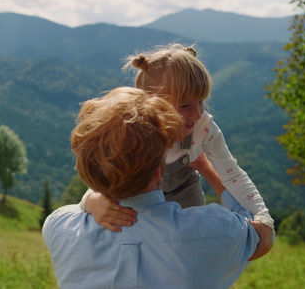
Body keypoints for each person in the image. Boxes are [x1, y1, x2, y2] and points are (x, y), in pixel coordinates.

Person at [42, 87, 260, 288]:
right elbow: (255, 222)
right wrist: (204, 166)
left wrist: (90, 199)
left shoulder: (58, 227)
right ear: (159, 172)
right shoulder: (217, 229)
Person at [80, 43, 274, 260]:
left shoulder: (203, 127)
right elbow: (105, 178)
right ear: (149, 102)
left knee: (192, 246)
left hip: (185, 187)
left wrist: (263, 217)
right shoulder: (132, 131)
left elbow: (232, 173)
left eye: (201, 102)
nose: (198, 113)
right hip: (136, 190)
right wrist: (91, 200)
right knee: (132, 241)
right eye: (184, 106)